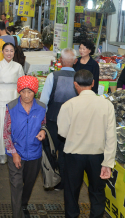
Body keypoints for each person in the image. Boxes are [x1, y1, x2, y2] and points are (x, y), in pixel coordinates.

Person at [58, 69, 116, 218]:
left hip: (74, 155)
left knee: (72, 192)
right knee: (97, 192)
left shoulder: (68, 105)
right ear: (93, 83)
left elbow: (62, 133)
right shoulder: (106, 105)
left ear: (75, 84)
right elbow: (111, 136)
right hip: (97, 156)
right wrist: (108, 163)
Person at [4, 76, 47, 218]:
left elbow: (44, 125)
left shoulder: (41, 107)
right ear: (19, 92)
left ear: (35, 92)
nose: (26, 95)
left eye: (30, 92)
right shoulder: (11, 107)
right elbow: (6, 133)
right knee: (16, 185)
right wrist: (14, 153)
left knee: (29, 184)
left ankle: (23, 205)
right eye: (23, 92)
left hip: (34, 153)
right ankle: (17, 214)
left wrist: (43, 131)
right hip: (16, 152)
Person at [39, 48, 77, 191]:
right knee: (67, 152)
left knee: (51, 150)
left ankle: (52, 179)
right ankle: (67, 182)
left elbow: (43, 101)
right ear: (75, 61)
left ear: (60, 61)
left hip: (53, 120)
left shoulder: (53, 76)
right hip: (73, 122)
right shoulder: (79, 78)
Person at [0, 43, 24, 164]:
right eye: (6, 51)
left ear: (14, 53)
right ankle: (1, 152)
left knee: (13, 126)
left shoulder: (18, 67)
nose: (9, 53)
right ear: (2, 52)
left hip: (14, 97)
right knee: (0, 125)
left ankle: (13, 151)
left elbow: (21, 85)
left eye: (11, 51)